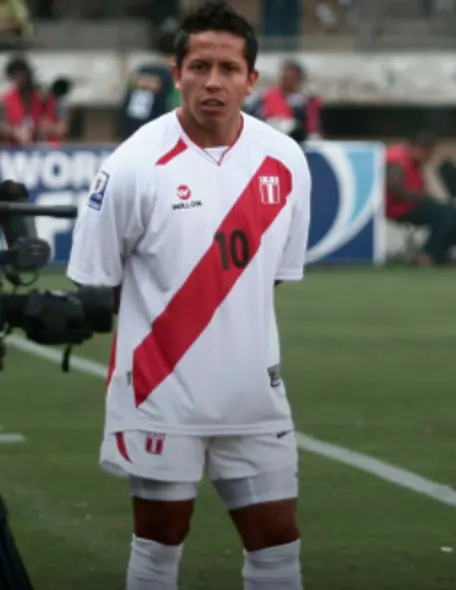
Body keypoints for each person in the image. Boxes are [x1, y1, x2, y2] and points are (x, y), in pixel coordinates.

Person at [66, 2, 310, 589]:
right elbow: (95, 280)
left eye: (228, 68)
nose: (212, 82)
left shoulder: (286, 161)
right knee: (159, 544)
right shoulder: (131, 166)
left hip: (253, 394)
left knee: (277, 545)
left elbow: (270, 277)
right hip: (160, 392)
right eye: (199, 66)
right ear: (176, 73)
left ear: (252, 79)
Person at [384, 132, 456, 266]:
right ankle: (427, 255)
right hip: (400, 208)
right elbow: (396, 191)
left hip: (413, 204)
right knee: (448, 215)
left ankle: (448, 253)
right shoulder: (396, 158)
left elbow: (417, 186)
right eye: (429, 153)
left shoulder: (414, 161)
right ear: (418, 149)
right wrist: (422, 196)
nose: (430, 158)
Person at [118, 30, 181, 141]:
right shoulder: (172, 75)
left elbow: (135, 112)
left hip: (132, 136)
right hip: (161, 138)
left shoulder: (143, 71)